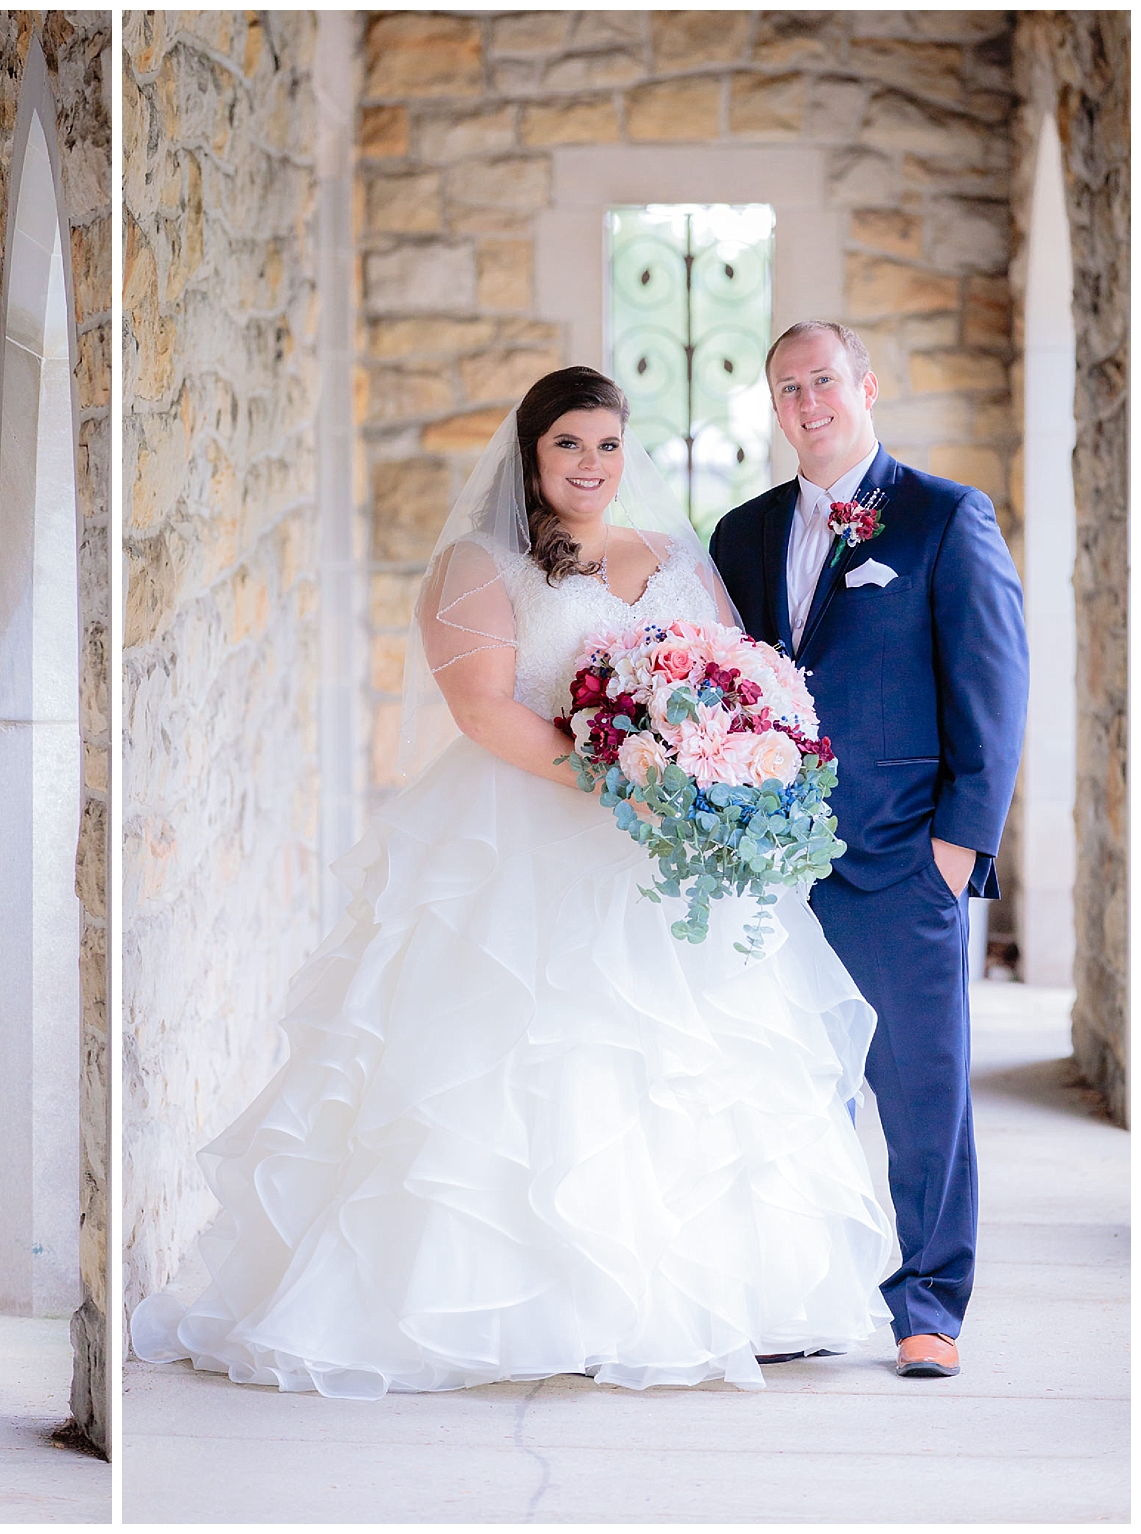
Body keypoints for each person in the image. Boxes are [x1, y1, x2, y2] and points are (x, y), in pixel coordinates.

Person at [130, 366, 896, 1397]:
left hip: (662, 851)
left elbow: (730, 668)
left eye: (607, 445)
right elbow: (483, 708)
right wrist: (622, 776)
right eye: (568, 445)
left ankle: (695, 1303)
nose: (590, 465)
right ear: (531, 456)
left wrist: (703, 770)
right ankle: (521, 1308)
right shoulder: (478, 565)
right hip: (522, 838)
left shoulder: (674, 555)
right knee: (528, 1064)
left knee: (675, 1067)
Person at [711, 321, 1029, 1380]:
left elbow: (992, 687)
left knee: (918, 1086)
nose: (806, 401)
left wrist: (958, 846)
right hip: (771, 861)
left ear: (865, 386)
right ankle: (800, 1291)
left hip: (901, 857)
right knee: (792, 1082)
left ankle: (927, 1302)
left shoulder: (942, 516)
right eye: (786, 386)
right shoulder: (741, 535)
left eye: (822, 380)